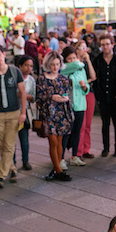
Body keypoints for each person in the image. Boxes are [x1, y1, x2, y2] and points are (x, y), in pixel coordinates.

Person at [0, 43, 27, 188]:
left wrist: (23, 113)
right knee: (3, 145)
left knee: (8, 145)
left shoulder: (14, 71)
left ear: (4, 54)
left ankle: (1, 175)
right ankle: (13, 170)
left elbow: (22, 93)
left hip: (14, 112)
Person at [37, 51, 73, 181]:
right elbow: (39, 97)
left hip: (61, 113)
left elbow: (67, 94)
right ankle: (59, 171)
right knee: (53, 141)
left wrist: (64, 99)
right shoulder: (42, 78)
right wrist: (51, 97)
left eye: (57, 64)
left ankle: (55, 169)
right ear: (48, 64)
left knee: (59, 142)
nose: (55, 67)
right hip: (48, 114)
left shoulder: (63, 78)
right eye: (52, 64)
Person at [61, 46, 94, 167]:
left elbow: (87, 87)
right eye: (69, 58)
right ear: (64, 60)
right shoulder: (63, 69)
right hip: (67, 106)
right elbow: (78, 64)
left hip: (80, 104)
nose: (73, 61)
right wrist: (78, 62)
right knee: (65, 133)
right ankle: (61, 158)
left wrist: (85, 87)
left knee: (77, 131)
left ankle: (75, 156)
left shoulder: (81, 70)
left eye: (74, 57)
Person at [92, 35, 116, 157]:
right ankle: (106, 148)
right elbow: (95, 79)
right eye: (103, 44)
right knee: (105, 124)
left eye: (107, 44)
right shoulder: (97, 60)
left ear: (112, 44)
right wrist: (99, 97)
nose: (105, 47)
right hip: (103, 98)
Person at [14, 55, 37, 171]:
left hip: (25, 112)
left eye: (31, 66)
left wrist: (23, 95)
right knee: (11, 139)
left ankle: (25, 160)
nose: (29, 68)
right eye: (26, 65)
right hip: (13, 111)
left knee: (24, 138)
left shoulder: (31, 80)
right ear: (20, 66)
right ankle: (12, 162)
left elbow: (34, 97)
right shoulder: (14, 78)